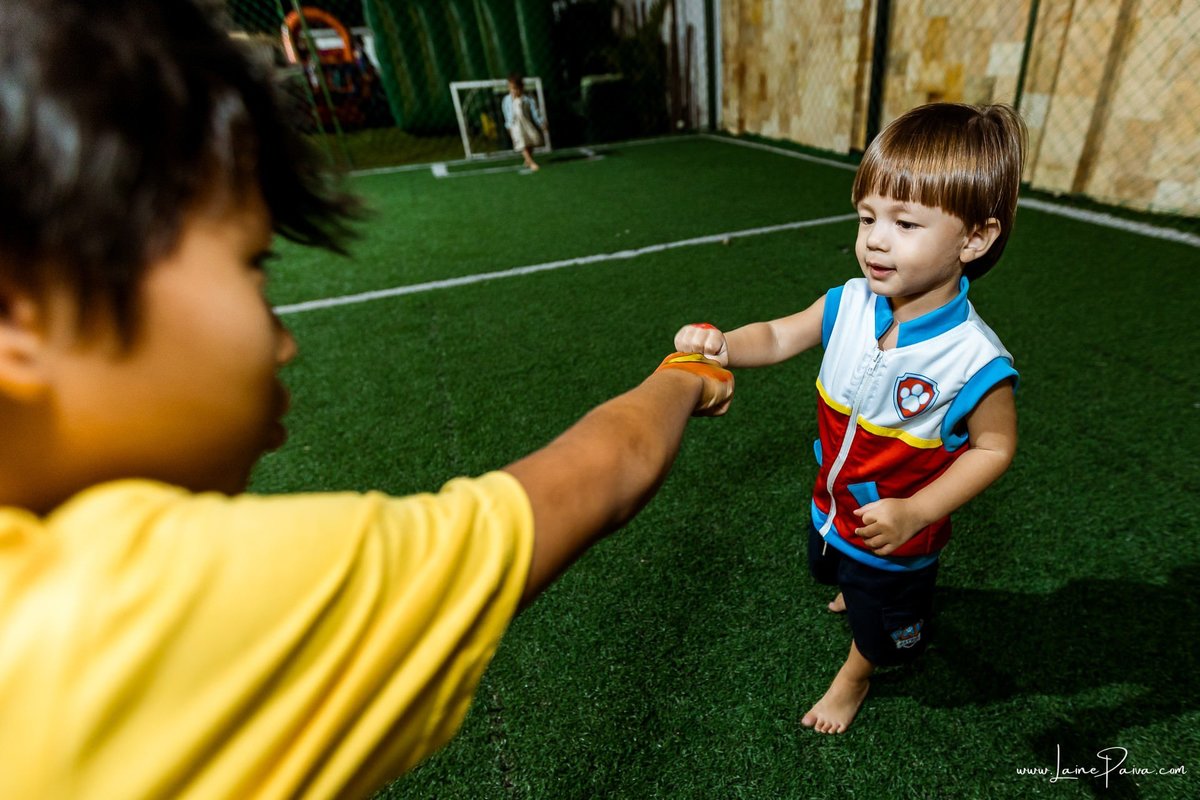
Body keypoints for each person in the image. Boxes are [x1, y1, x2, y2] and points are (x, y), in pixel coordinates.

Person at [0, 1, 732, 798]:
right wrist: (685, 375)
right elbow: (609, 466)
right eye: (253, 267)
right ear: (24, 308)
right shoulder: (139, 615)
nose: (285, 340)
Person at [674, 103, 1025, 734]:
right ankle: (852, 590)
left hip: (898, 534)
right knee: (833, 569)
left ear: (975, 237)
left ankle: (855, 677)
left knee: (883, 620)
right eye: (868, 217)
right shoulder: (852, 302)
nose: (876, 239)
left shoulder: (974, 359)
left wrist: (918, 511)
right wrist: (724, 342)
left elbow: (994, 448)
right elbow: (781, 335)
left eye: (905, 222)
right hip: (831, 505)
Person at [502, 72, 547, 172]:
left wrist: (541, 122)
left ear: (521, 88)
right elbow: (506, 113)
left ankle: (528, 159)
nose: (514, 91)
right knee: (521, 143)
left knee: (531, 140)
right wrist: (509, 127)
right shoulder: (507, 100)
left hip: (527, 124)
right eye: (511, 88)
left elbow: (535, 112)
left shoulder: (528, 99)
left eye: (516, 88)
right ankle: (531, 162)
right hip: (515, 125)